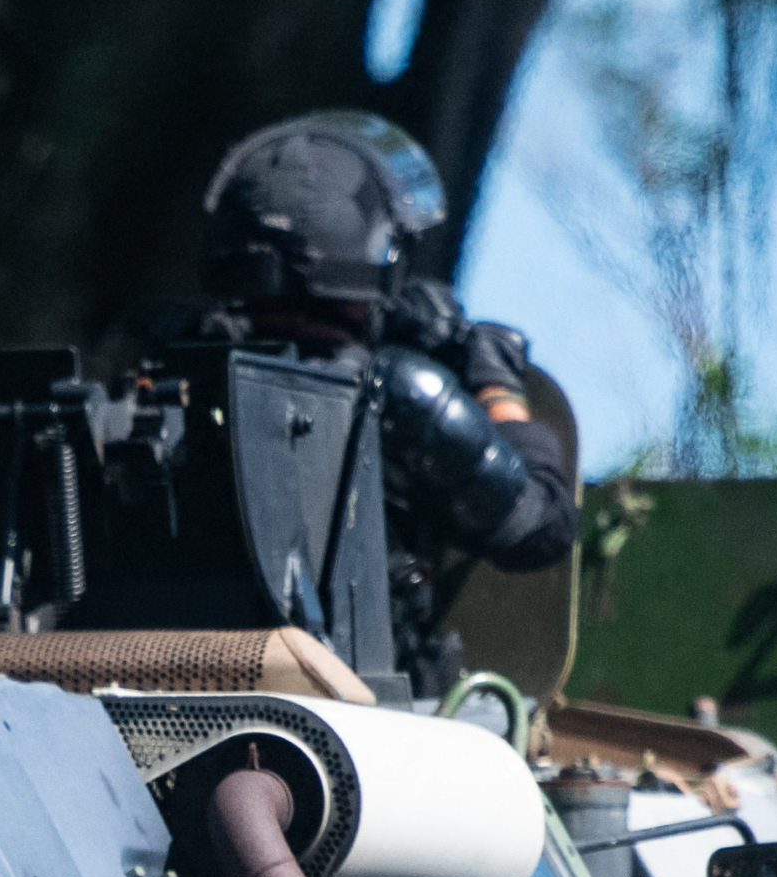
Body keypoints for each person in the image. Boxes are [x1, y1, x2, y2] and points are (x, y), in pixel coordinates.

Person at [183, 112, 579, 690]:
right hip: (359, 706)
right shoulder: (399, 398)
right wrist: (496, 386)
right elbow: (540, 528)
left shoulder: (174, 374)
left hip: (178, 680)